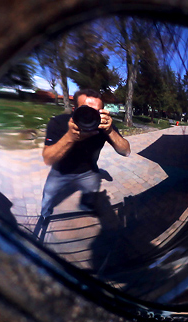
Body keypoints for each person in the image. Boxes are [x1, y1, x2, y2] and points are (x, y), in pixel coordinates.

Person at [37, 89, 131, 234]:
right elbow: (48, 158)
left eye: (97, 112)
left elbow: (126, 151)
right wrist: (70, 137)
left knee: (91, 192)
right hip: (60, 171)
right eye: (86, 111)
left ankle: (87, 206)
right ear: (75, 110)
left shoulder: (104, 127)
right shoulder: (58, 123)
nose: (90, 116)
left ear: (103, 112)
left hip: (88, 171)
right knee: (48, 195)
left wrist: (110, 131)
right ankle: (44, 215)